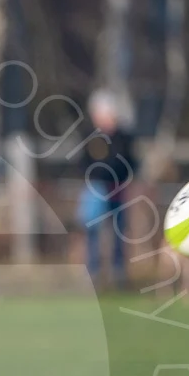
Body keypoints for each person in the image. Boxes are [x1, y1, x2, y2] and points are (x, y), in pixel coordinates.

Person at [76, 90, 138, 289]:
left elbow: (130, 163)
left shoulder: (123, 137)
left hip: (118, 190)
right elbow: (83, 162)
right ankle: (93, 273)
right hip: (96, 191)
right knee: (92, 232)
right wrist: (94, 179)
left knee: (119, 232)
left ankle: (118, 274)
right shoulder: (90, 136)